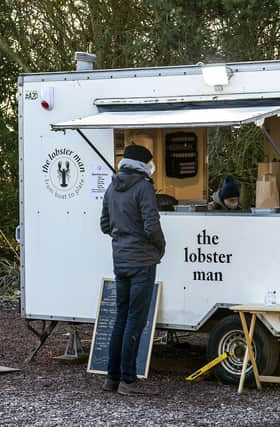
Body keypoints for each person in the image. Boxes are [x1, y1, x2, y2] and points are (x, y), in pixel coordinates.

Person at [99, 144, 165, 396]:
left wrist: (122, 235)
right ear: (143, 164)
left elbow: (104, 224)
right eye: (150, 163)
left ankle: (111, 378)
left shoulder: (112, 187)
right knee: (135, 322)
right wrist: (160, 247)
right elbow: (151, 225)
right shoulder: (143, 187)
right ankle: (128, 381)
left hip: (121, 261)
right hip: (142, 263)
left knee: (120, 319)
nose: (152, 167)